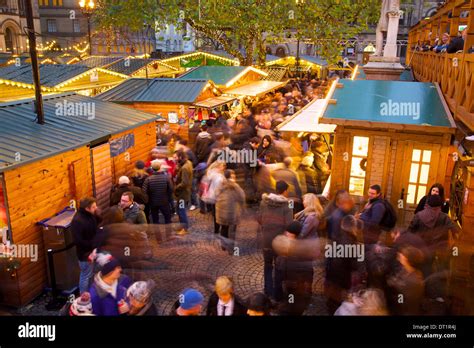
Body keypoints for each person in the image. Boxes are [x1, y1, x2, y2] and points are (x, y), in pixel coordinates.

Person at [257, 180, 293, 301]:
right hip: (279, 242)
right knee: (279, 268)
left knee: (267, 266)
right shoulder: (288, 205)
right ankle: (277, 294)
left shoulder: (264, 202)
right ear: (285, 191)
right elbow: (289, 225)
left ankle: (267, 292)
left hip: (266, 240)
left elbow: (259, 218)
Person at [408, 194, 460, 274]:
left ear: (428, 203)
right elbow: (455, 230)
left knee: (418, 270)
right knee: (429, 271)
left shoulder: (419, 215)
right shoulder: (444, 217)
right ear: (440, 205)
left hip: (419, 248)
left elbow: (410, 230)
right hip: (436, 250)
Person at [325, 215, 364, 315]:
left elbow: (328, 259)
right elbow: (358, 269)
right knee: (340, 305)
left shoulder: (335, 238)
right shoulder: (355, 245)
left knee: (332, 304)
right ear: (354, 228)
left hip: (331, 279)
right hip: (343, 283)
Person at [273, 221, 314, 315]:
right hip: (295, 296)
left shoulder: (289, 254)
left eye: (288, 232)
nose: (286, 234)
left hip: (293, 295)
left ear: (294, 234)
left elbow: (280, 278)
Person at [71, 197, 101, 294]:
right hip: (85, 254)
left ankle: (92, 292)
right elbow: (78, 241)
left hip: (93, 250)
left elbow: (97, 222)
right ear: (87, 208)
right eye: (93, 207)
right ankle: (83, 296)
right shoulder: (77, 221)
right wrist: (92, 246)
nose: (96, 208)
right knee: (85, 275)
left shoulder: (90, 214)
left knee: (91, 273)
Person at [387, 246, 425, 315]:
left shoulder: (413, 282)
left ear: (407, 259)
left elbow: (401, 300)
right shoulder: (408, 271)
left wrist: (395, 286)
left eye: (403, 254)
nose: (400, 254)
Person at [215, 169, 246, 253]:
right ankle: (231, 249)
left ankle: (223, 245)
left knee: (224, 228)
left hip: (221, 212)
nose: (234, 176)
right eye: (233, 175)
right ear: (230, 176)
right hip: (232, 213)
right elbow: (242, 197)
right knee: (232, 231)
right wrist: (243, 207)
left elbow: (215, 194)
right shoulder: (235, 186)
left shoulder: (220, 184)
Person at [142, 160, 174, 224]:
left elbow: (144, 192)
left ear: (152, 168)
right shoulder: (166, 178)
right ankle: (169, 232)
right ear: (160, 167)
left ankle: (157, 233)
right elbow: (171, 189)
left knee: (155, 220)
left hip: (153, 202)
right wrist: (169, 199)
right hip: (164, 201)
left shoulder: (148, 179)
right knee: (168, 219)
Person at [201, 161, 226, 234]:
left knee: (216, 214)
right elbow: (218, 186)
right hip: (216, 197)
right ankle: (217, 230)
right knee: (216, 214)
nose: (224, 167)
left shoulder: (215, 173)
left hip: (215, 196)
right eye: (222, 166)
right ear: (218, 166)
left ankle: (217, 230)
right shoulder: (216, 175)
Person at [174, 150, 193, 233]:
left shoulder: (185, 168)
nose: (174, 159)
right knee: (179, 209)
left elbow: (184, 183)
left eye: (175, 157)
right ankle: (183, 227)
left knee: (181, 210)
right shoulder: (188, 163)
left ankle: (184, 229)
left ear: (180, 157)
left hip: (182, 194)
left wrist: (175, 188)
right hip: (185, 192)